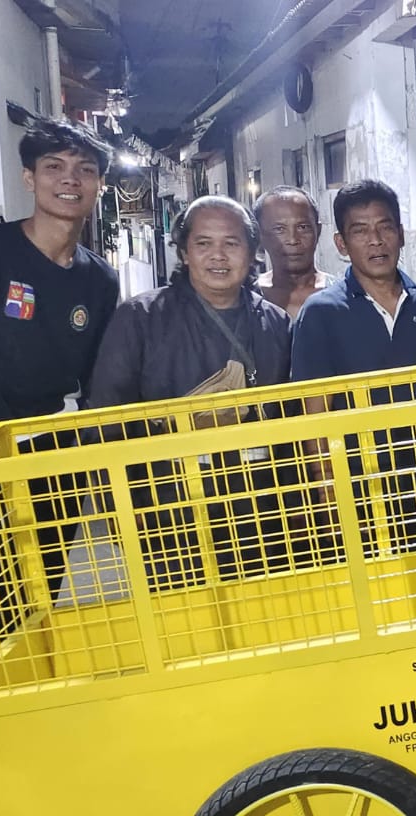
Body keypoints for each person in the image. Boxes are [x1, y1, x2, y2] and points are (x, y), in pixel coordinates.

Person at [87, 196, 294, 587]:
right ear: (184, 251)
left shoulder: (275, 322)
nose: (218, 256)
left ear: (252, 253)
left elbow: (289, 417)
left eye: (231, 243)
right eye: (203, 244)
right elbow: (106, 419)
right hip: (170, 509)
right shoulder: (141, 319)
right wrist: (116, 507)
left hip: (259, 505)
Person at [0, 118, 120, 628]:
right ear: (29, 178)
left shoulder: (100, 280)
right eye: (54, 167)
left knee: (36, 594)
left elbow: (97, 379)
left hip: (54, 458)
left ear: (99, 185)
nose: (70, 180)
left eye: (84, 170)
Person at [291, 179, 416, 552]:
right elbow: (315, 411)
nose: (375, 240)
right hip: (358, 493)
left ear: (401, 234)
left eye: (385, 227)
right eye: (360, 231)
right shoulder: (321, 312)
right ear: (342, 245)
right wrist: (325, 489)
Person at [254, 185, 330, 320]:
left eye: (302, 227)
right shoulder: (246, 299)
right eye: (279, 229)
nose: (293, 239)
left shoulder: (346, 295)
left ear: (317, 231)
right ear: (260, 236)